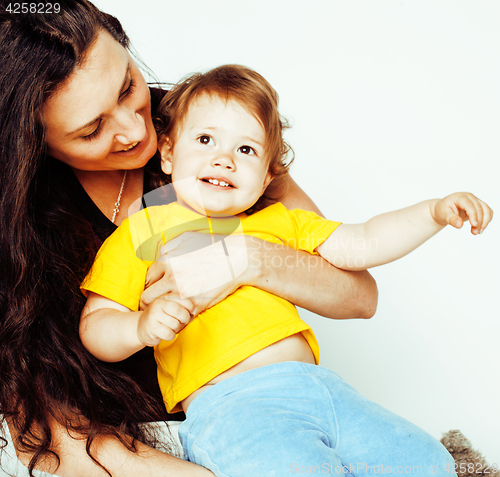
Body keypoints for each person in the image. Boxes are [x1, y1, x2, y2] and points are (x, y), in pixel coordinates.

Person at [0, 2, 378, 476]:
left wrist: (247, 258)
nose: (137, 130)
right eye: (93, 129)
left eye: (128, 87)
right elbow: (53, 442)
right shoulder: (16, 218)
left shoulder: (210, 130)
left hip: (263, 421)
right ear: (30, 143)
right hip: (119, 455)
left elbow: (360, 296)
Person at [79, 64, 493, 476]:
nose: (223, 159)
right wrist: (139, 327)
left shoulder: (280, 222)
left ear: (266, 178)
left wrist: (434, 212)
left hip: (326, 391)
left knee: (428, 462)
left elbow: (363, 242)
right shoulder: (145, 227)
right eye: (205, 140)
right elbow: (96, 323)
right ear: (169, 154)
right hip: (233, 405)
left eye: (246, 150)